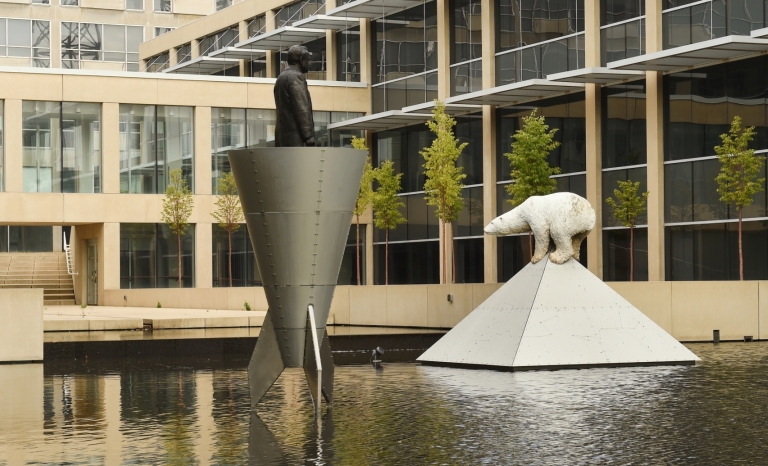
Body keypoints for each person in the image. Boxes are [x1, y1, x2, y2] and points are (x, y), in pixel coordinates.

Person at [274, 45, 316, 147]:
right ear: (301, 60)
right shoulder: (296, 76)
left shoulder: (281, 77)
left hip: (282, 137)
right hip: (296, 138)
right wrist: (308, 135)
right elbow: (301, 108)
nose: (309, 64)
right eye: (307, 60)